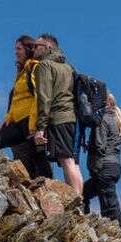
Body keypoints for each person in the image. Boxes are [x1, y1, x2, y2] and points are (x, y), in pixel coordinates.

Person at [0, 35, 52, 179]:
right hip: (18, 123)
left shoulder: (35, 67)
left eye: (18, 49)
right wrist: (8, 118)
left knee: (39, 162)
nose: (16, 52)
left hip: (31, 123)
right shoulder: (22, 71)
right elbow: (16, 99)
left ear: (27, 50)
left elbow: (40, 97)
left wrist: (34, 125)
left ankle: (53, 196)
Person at [31, 33, 82, 195]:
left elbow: (45, 99)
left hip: (59, 118)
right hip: (74, 119)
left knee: (66, 160)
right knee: (73, 161)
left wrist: (40, 128)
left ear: (48, 47)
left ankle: (77, 202)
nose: (33, 49)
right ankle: (79, 200)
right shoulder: (68, 66)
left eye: (36, 46)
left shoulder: (45, 66)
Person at [83, 92, 121, 228]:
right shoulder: (116, 118)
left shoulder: (102, 118)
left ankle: (120, 234)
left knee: (109, 204)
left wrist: (94, 166)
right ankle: (86, 224)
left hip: (104, 167)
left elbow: (99, 145)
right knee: (84, 193)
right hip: (114, 166)